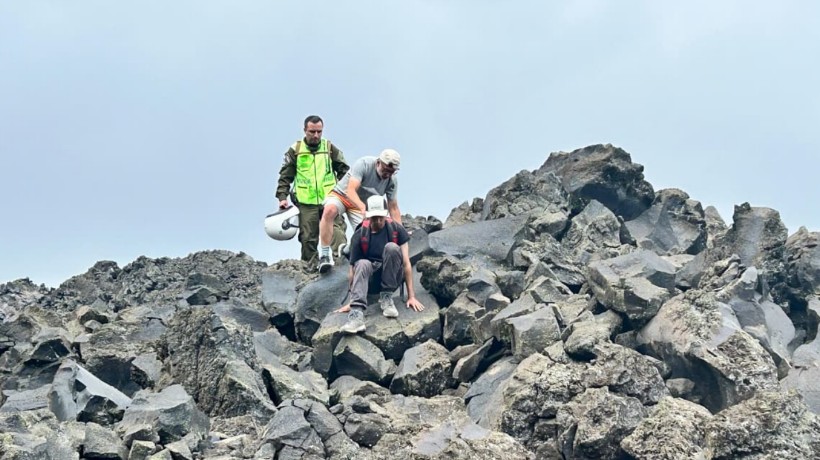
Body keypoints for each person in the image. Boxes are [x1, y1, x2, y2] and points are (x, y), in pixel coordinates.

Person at [339, 195, 424, 334]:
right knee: (362, 263)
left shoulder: (396, 230)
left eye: (380, 217)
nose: (378, 221)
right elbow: (352, 270)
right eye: (374, 218)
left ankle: (386, 298)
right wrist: (352, 301)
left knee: (392, 248)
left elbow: (406, 264)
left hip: (392, 277)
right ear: (368, 217)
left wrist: (411, 296)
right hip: (370, 282)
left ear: (386, 215)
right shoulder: (359, 235)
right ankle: (356, 317)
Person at [276, 115, 349, 264]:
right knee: (308, 239)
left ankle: (341, 266)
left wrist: (345, 194)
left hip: (330, 200)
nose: (316, 135)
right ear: (305, 130)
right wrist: (282, 197)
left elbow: (345, 172)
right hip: (306, 203)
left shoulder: (329, 148)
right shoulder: (295, 151)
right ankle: (310, 270)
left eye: (319, 132)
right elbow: (285, 176)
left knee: (337, 233)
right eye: (312, 132)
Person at [316, 148, 402, 272]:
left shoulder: (391, 181)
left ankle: (346, 250)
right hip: (343, 196)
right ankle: (324, 256)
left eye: (391, 172)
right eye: (385, 170)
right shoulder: (364, 164)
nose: (387, 175)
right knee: (329, 210)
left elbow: (393, 208)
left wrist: (399, 231)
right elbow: (351, 191)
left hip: (361, 206)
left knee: (371, 232)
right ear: (378, 162)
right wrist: (363, 208)